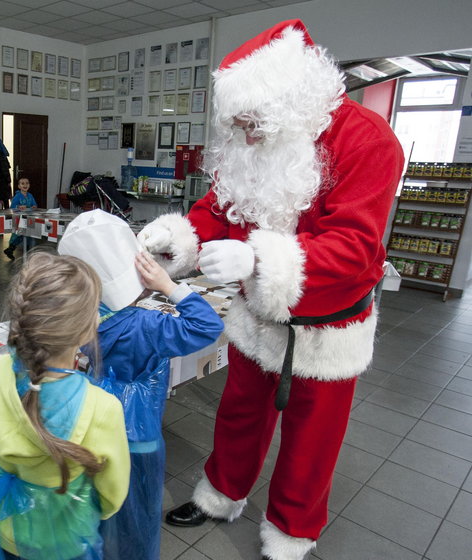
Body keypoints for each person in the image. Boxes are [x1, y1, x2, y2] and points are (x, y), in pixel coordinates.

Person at [137, 20, 405, 560]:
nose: (244, 133)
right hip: (256, 318)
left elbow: (354, 247)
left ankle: (292, 531)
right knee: (239, 413)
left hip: (327, 328)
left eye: (251, 121)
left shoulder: (368, 143)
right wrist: (179, 236)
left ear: (289, 102)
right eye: (237, 123)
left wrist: (258, 258)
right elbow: (218, 207)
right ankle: (221, 496)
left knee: (312, 441)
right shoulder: (251, 141)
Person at [57, 210, 224, 560]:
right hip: (138, 438)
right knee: (136, 516)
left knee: (98, 510)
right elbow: (207, 326)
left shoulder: (80, 314)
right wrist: (169, 286)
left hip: (91, 429)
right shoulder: (146, 326)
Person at [0, 251, 130, 560]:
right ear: (84, 331)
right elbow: (113, 494)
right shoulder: (102, 407)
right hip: (66, 538)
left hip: (6, 525)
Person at [2, 176, 37, 261]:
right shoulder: (17, 196)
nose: (25, 185)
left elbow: (35, 205)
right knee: (17, 234)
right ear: (19, 186)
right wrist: (18, 207)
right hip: (18, 218)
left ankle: (29, 251)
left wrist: (33, 206)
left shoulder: (30, 195)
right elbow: (12, 207)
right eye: (22, 183)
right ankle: (10, 249)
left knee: (29, 234)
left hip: (28, 218)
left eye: (27, 183)